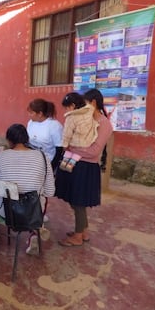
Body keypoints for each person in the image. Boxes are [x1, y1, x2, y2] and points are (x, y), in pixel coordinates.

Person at [56, 89, 113, 247]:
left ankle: (78, 236)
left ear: (93, 103)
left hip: (86, 167)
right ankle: (83, 231)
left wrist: (70, 148)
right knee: (74, 200)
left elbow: (94, 151)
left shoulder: (104, 124)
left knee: (79, 202)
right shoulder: (82, 119)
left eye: (85, 104)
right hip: (75, 163)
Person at [0, 124, 55, 255]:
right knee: (40, 200)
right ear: (27, 139)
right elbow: (50, 191)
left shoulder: (1, 156)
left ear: (9, 140)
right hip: (33, 210)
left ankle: (35, 229)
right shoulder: (42, 156)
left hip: (6, 211)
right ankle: (35, 231)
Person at [59, 92, 99, 172]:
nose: (66, 110)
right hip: (87, 143)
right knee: (76, 157)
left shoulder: (71, 117)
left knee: (66, 158)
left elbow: (67, 134)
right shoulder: (89, 111)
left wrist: (65, 145)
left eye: (66, 108)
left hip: (75, 144)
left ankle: (65, 169)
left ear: (73, 106)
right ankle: (70, 166)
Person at [27, 99, 63, 172]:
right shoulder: (31, 123)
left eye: (31, 113)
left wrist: (52, 167)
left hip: (48, 162)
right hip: (33, 162)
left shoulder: (54, 125)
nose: (29, 115)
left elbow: (59, 149)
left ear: (40, 114)